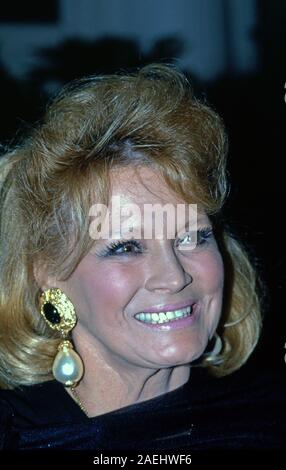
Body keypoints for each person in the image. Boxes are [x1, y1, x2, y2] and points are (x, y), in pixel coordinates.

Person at [0, 63, 285, 451]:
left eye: (192, 237)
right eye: (126, 247)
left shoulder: (269, 417)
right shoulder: (17, 434)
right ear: (48, 270)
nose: (173, 276)